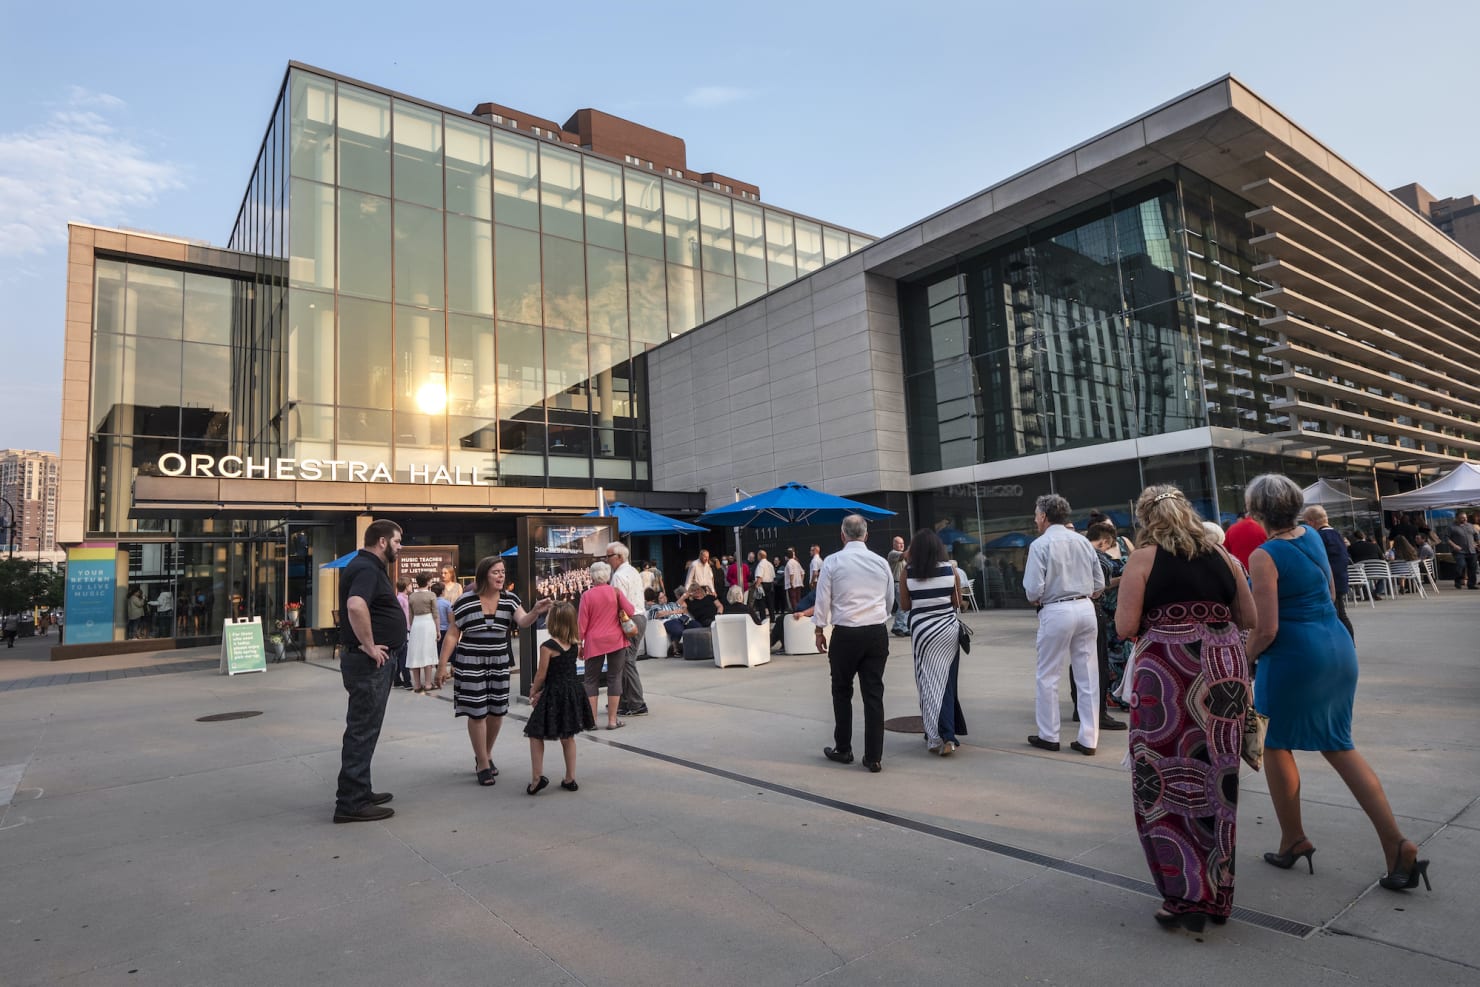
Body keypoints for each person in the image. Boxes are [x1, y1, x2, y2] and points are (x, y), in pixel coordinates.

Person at [1244, 475, 1431, 896]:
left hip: (1295, 656)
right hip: (1336, 645)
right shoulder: (1311, 534)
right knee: (1338, 744)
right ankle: (1395, 843)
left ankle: (1294, 838)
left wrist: (1244, 656)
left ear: (1257, 512)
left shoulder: (1264, 555)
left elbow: (1267, 627)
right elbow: (1329, 591)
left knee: (1275, 743)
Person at [1115, 485, 1256, 931]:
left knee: (1162, 776)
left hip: (1169, 676)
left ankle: (1182, 896)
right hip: (1222, 671)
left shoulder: (1143, 558)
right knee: (1218, 778)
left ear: (1146, 519)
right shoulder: (1224, 557)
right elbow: (1247, 617)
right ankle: (1216, 892)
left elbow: (1124, 626)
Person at [435, 556, 552, 787]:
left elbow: (523, 620)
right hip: (470, 661)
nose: (501, 576)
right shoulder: (465, 601)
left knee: (497, 712)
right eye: (495, 572)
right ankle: (483, 764)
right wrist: (442, 665)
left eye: (502, 572)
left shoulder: (510, 600)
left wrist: (536, 611)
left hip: (498, 661)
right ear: (483, 575)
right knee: (477, 712)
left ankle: (484, 754)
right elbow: (452, 633)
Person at [333, 519, 406, 823]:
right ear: (382, 542)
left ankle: (360, 790)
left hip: (370, 665)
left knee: (366, 729)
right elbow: (355, 606)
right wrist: (370, 645)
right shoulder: (366, 568)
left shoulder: (368, 567)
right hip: (368, 665)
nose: (400, 548)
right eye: (398, 541)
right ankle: (351, 802)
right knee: (362, 731)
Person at [1022, 493, 1104, 755]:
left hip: (1056, 610)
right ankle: (1089, 739)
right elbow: (1099, 583)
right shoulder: (1082, 541)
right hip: (1085, 607)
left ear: (1044, 516)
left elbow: (1033, 590)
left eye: (1036, 515)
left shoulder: (1040, 545)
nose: (1035, 520)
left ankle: (1049, 734)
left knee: (1048, 674)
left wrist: (1040, 596)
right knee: (1088, 675)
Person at [815, 515, 894, 773]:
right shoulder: (881, 562)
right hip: (875, 631)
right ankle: (874, 756)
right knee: (873, 694)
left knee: (841, 690)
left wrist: (819, 628)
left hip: (846, 632)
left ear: (842, 535)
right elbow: (889, 600)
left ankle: (843, 747)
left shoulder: (833, 561)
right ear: (866, 535)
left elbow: (823, 599)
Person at [899, 528, 966, 756]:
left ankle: (938, 735)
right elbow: (958, 603)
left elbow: (906, 606)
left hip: (923, 633)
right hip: (948, 629)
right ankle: (948, 733)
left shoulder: (908, 572)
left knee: (927, 683)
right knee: (947, 681)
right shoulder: (951, 570)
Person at [523, 601, 594, 795]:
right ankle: (570, 777)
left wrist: (534, 690)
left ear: (552, 620)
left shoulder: (548, 646)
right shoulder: (574, 644)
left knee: (535, 733)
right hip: (572, 692)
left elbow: (541, 674)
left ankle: (537, 778)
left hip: (554, 693)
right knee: (568, 736)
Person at [578, 561, 640, 730]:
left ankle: (591, 722)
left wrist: (579, 643)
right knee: (614, 678)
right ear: (608, 576)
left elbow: (582, 623)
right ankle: (612, 721)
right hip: (616, 641)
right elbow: (631, 611)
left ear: (592, 576)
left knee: (591, 680)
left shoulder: (587, 596)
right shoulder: (615, 592)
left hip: (594, 642)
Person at [1080, 521, 1130, 727]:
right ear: (1104, 540)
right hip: (1105, 609)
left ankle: (1121, 695)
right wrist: (1124, 578)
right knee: (1107, 655)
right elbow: (1097, 586)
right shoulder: (1092, 553)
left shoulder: (1123, 543)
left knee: (1124, 651)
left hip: (1123, 606)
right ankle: (1108, 697)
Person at [607, 542, 649, 718]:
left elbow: (619, 602)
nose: (607, 560)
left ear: (619, 557)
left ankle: (637, 703)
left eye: (609, 556)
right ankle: (625, 701)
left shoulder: (618, 576)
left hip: (629, 619)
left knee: (626, 660)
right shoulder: (632, 571)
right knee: (625, 660)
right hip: (639, 617)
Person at [1300, 505, 1354, 640]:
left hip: (1331, 583)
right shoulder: (1336, 534)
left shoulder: (1320, 536)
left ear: (1312, 522)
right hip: (1340, 579)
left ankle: (1344, 644)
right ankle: (1348, 643)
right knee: (1340, 614)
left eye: (1306, 522)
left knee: (1336, 616)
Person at [405, 575, 439, 693]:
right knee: (428, 653)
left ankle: (417, 685)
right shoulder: (431, 595)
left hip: (416, 624)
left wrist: (411, 627)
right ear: (428, 582)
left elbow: (410, 614)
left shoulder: (412, 596)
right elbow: (435, 614)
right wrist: (438, 630)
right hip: (428, 623)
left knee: (415, 654)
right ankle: (428, 683)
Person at [1446, 513, 1477, 589]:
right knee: (1461, 565)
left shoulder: (1470, 526)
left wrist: (1477, 543)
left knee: (1472, 568)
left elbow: (1476, 535)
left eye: (1465, 517)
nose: (1465, 519)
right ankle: (1458, 581)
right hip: (1459, 551)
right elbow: (1447, 538)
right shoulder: (1451, 527)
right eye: (1462, 518)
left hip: (1471, 551)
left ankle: (1471, 584)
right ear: (1457, 518)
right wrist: (1454, 546)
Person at [393, 578, 413, 690]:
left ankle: (397, 679)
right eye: (410, 585)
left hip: (405, 629)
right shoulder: (400, 599)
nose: (411, 587)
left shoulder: (405, 598)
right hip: (403, 629)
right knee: (403, 655)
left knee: (401, 654)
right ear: (406, 586)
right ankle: (407, 680)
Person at [887, 536, 910, 637]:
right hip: (897, 583)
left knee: (906, 605)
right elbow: (905, 554)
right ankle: (897, 627)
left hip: (903, 583)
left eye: (903, 543)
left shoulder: (904, 556)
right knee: (902, 605)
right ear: (894, 544)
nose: (901, 545)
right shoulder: (893, 553)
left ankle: (903, 627)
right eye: (899, 543)